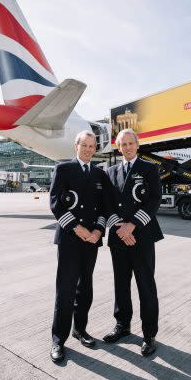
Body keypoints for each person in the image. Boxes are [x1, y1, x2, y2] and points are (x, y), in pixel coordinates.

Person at [49, 130, 111, 363]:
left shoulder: (99, 174)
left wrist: (98, 230)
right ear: (76, 146)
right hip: (70, 238)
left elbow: (105, 207)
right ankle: (58, 339)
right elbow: (55, 203)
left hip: (91, 241)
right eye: (83, 145)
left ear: (95, 149)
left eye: (91, 146)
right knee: (65, 290)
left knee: (85, 288)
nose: (87, 149)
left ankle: (80, 329)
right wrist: (77, 228)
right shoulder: (63, 169)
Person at [104, 128, 163, 357]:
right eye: (123, 144)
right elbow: (106, 203)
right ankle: (122, 325)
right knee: (121, 284)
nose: (127, 147)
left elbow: (154, 198)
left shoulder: (149, 168)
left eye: (131, 143)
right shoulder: (110, 172)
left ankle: (149, 334)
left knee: (145, 285)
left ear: (137, 145)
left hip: (142, 236)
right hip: (119, 237)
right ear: (118, 148)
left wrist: (133, 226)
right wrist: (120, 227)